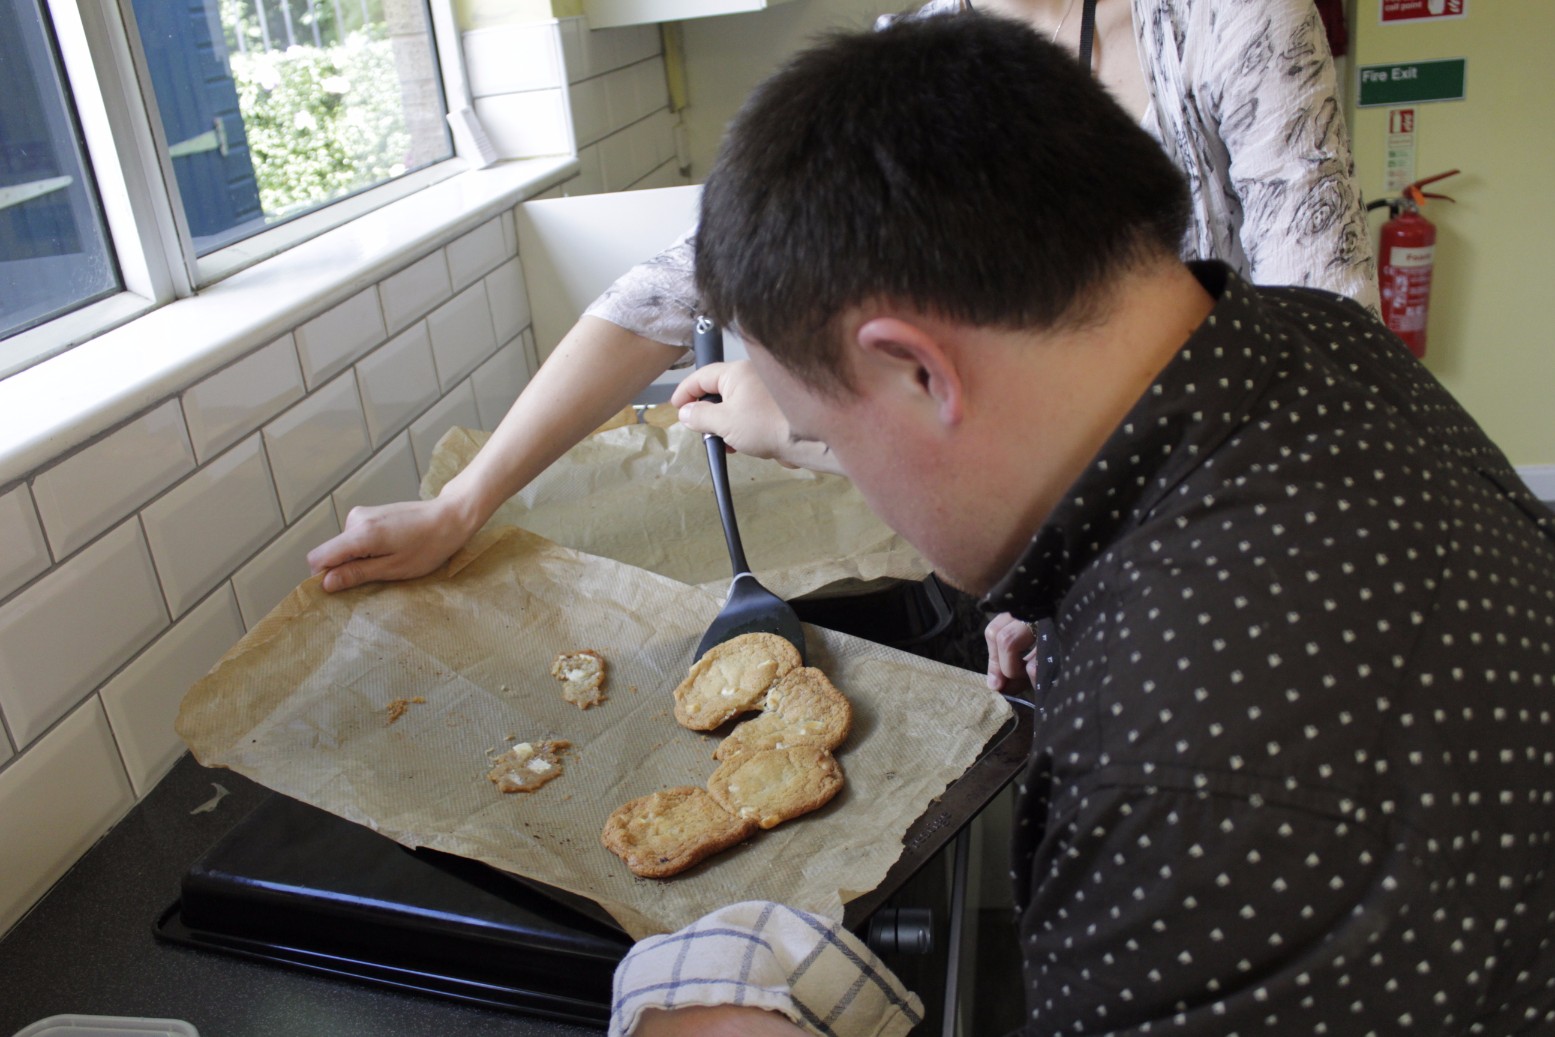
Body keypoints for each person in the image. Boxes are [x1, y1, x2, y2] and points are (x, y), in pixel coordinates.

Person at [608, 13, 1555, 1037]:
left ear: (920, 368)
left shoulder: (1182, 777)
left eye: (823, 432)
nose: (852, 476)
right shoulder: (1320, 346)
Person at [306, 0, 1375, 598]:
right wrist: (462, 502)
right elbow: (678, 279)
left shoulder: (1230, 20)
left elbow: (1320, 347)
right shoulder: (921, 51)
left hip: (1223, 537)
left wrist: (805, 427)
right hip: (1042, 541)